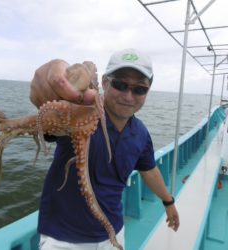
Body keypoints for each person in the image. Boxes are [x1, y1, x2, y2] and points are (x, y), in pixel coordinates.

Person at [30, 48, 180, 250]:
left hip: (113, 234)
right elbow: (50, 112)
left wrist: (168, 203)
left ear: (147, 91)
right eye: (120, 84)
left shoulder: (140, 133)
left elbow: (149, 170)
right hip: (63, 238)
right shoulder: (77, 113)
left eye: (139, 89)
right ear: (104, 83)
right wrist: (52, 82)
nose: (128, 96)